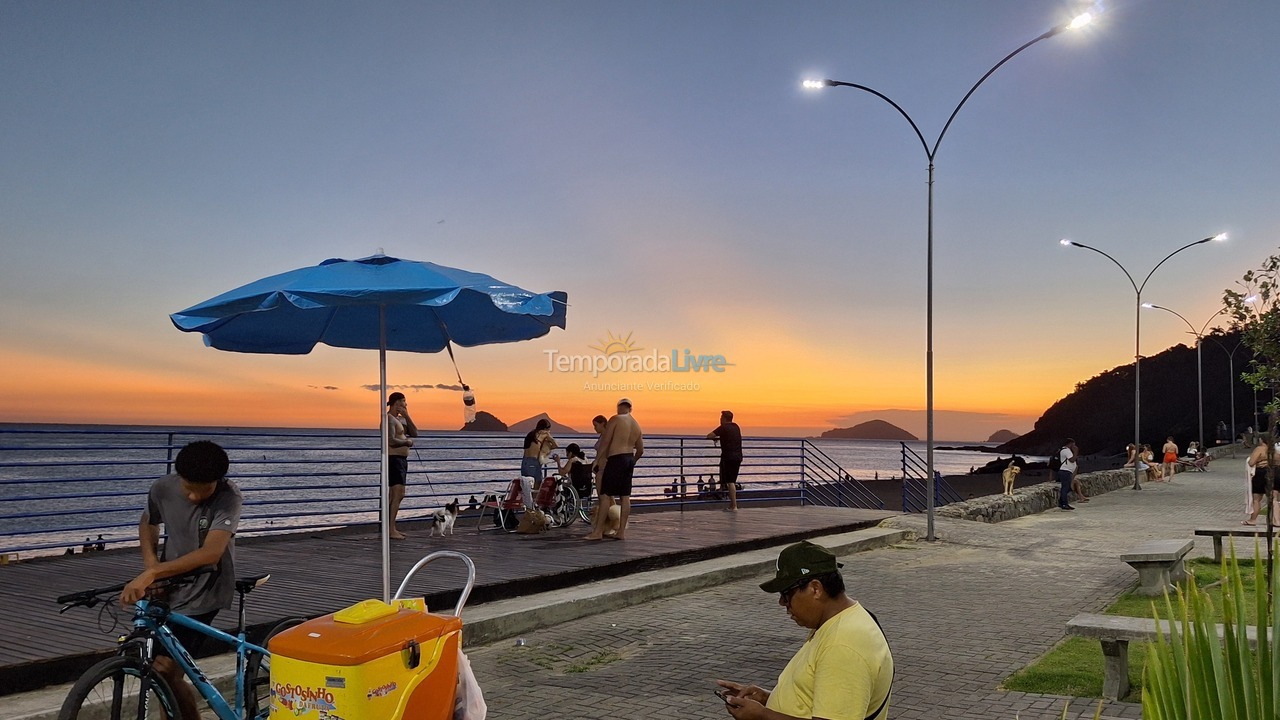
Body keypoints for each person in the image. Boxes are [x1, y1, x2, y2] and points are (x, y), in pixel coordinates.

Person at [120, 440, 242, 720]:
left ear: (218, 480)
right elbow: (149, 521)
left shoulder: (229, 497)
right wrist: (152, 563)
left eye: (204, 490)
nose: (194, 498)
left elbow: (211, 553)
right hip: (168, 588)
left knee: (166, 670)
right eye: (188, 488)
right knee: (162, 674)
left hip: (206, 589)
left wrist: (152, 573)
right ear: (179, 478)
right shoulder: (162, 488)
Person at [716, 541, 893, 720]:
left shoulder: (842, 645)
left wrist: (762, 716)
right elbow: (819, 698)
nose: (782, 603)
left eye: (786, 594)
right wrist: (767, 698)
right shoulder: (839, 620)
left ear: (815, 589)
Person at [585, 398, 643, 541]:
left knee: (605, 495)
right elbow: (640, 450)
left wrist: (597, 460)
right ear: (631, 408)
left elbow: (606, 441)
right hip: (628, 458)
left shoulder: (616, 419)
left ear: (618, 407)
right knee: (625, 496)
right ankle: (621, 532)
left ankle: (597, 532)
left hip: (616, 458)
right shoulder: (636, 425)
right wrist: (632, 462)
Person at [385, 391, 419, 540]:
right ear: (397, 403)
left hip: (401, 460)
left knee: (397, 495)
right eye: (404, 402)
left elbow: (415, 432)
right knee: (397, 494)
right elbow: (390, 440)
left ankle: (391, 528)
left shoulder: (399, 420)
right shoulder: (389, 420)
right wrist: (406, 442)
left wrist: (407, 415)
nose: (406, 404)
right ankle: (390, 529)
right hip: (394, 460)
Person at [707, 410, 743, 511]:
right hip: (738, 456)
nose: (720, 419)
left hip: (728, 457)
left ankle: (734, 506)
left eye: (721, 417)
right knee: (732, 481)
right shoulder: (736, 427)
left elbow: (709, 435)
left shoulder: (723, 427)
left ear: (724, 419)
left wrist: (717, 437)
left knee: (730, 481)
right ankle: (733, 505)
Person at [520, 419, 557, 508]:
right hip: (533, 462)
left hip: (526, 461)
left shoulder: (531, 434)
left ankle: (531, 506)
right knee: (536, 485)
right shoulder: (542, 435)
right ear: (545, 429)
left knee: (529, 486)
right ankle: (532, 507)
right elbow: (555, 445)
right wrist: (549, 437)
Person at [1244, 437, 1276, 526]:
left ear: (1262, 440)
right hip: (1272, 473)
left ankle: (1253, 519)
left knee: (1257, 499)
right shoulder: (1273, 450)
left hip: (1260, 474)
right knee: (1272, 498)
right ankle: (1275, 519)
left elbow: (1251, 462)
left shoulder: (1260, 449)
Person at [1057, 439, 1078, 511]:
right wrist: (1076, 452)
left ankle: (1061, 502)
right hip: (1065, 471)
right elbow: (1072, 460)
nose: (1074, 446)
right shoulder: (1066, 450)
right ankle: (1064, 504)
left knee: (1066, 487)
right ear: (1070, 444)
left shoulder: (1066, 450)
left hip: (1067, 471)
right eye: (1073, 444)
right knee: (1066, 487)